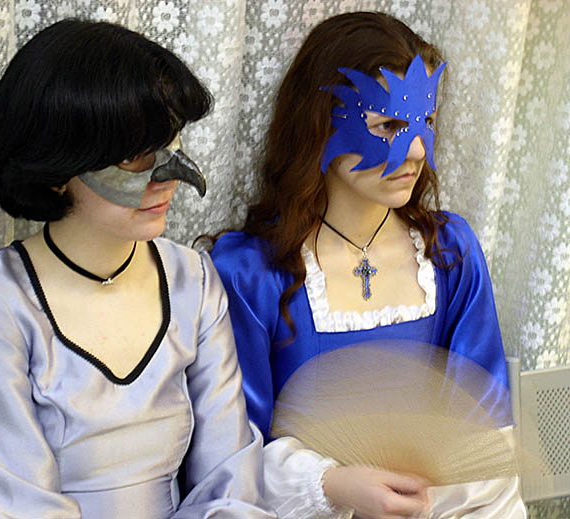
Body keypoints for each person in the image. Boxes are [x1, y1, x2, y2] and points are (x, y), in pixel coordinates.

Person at [0, 19, 276, 519]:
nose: (172, 177)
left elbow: (230, 480)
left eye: (173, 143)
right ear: (57, 170)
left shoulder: (194, 280)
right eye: (134, 157)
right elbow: (20, 504)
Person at [210, 12, 526, 519]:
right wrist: (332, 485)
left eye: (425, 122)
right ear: (319, 125)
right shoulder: (251, 274)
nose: (416, 150)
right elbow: (230, 455)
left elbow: (484, 429)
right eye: (389, 126)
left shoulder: (450, 253)